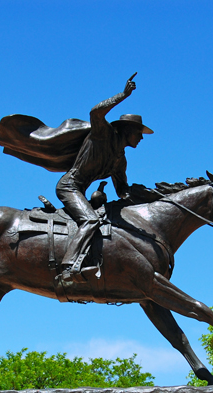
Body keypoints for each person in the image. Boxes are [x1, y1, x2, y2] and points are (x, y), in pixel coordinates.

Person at [55, 75, 153, 282]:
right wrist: (123, 95)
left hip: (81, 191)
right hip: (69, 187)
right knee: (91, 220)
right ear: (128, 131)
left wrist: (146, 196)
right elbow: (95, 112)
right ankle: (69, 266)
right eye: (139, 132)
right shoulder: (103, 134)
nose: (141, 137)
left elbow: (122, 190)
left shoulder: (120, 160)